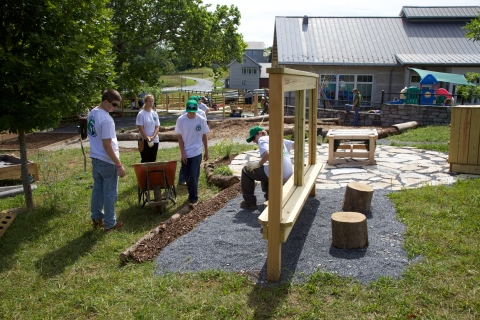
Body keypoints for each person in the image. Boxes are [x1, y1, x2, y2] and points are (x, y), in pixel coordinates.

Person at [87, 89, 125, 232]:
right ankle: (110, 223)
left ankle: (97, 218)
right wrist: (118, 164)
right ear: (105, 101)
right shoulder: (106, 119)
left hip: (95, 157)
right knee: (110, 193)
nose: (115, 108)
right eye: (114, 105)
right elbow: (107, 145)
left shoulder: (92, 113)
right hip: (106, 160)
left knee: (98, 190)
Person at [240, 126, 294, 210]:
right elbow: (294, 144)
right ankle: (269, 197)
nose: (254, 141)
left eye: (253, 138)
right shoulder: (276, 139)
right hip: (288, 174)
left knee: (246, 170)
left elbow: (267, 154)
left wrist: (259, 164)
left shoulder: (262, 139)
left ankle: (249, 202)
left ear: (260, 133)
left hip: (279, 174)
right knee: (264, 170)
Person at [175, 100, 210, 207]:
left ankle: (193, 198)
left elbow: (204, 136)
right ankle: (191, 192)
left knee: (194, 176)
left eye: (193, 111)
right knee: (186, 176)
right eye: (189, 111)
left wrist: (206, 151)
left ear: (196, 110)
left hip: (197, 151)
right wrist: (182, 153)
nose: (191, 114)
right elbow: (180, 137)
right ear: (186, 110)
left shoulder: (201, 119)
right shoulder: (181, 120)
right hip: (186, 151)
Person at [136, 94, 160, 163]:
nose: (151, 103)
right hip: (143, 140)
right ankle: (144, 173)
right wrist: (147, 138)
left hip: (154, 139)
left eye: (152, 101)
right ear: (145, 102)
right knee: (145, 159)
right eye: (149, 101)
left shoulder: (154, 114)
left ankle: (151, 173)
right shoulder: (141, 114)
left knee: (153, 159)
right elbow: (140, 127)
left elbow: (157, 126)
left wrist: (153, 137)